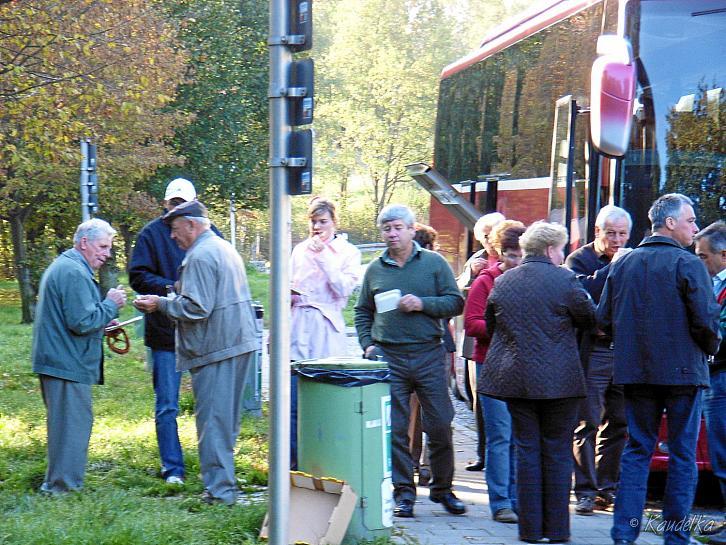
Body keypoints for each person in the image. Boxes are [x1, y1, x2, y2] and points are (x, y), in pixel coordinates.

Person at [597, 194, 720, 545]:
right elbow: (706, 321)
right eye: (690, 221)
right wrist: (711, 349)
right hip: (683, 373)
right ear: (669, 223)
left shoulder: (622, 264)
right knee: (681, 455)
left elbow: (602, 319)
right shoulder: (688, 264)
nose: (695, 228)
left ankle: (624, 533)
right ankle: (675, 537)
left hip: (635, 373)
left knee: (637, 451)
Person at [134, 200, 258, 505]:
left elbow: (196, 308)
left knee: (213, 423)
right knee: (226, 422)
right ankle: (225, 483)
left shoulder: (200, 255)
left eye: (176, 230)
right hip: (237, 343)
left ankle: (219, 494)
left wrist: (160, 304)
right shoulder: (222, 247)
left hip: (217, 348)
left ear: (192, 224)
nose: (173, 238)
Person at [479, 221, 595, 544]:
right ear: (549, 249)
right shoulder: (566, 280)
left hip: (516, 380)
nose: (563, 254)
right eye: (561, 249)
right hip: (560, 383)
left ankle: (529, 530)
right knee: (557, 452)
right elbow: (590, 319)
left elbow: (490, 326)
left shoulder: (503, 282)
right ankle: (557, 530)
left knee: (526, 450)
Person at [355, 204, 465, 518]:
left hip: (429, 354)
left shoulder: (433, 263)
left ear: (411, 229)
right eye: (386, 229)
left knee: (441, 424)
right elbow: (363, 311)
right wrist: (368, 345)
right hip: (389, 357)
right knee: (397, 429)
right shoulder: (375, 269)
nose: (392, 234)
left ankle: (443, 490)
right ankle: (404, 495)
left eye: (397, 228)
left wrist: (422, 304)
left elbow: (455, 302)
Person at [129, 177, 221, 485]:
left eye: (184, 205)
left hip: (203, 334)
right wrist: (169, 290)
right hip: (165, 333)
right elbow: (138, 275)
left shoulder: (211, 235)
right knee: (167, 404)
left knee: (210, 403)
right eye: (173, 204)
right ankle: (173, 469)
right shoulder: (150, 235)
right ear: (165, 204)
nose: (177, 211)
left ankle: (215, 466)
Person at [32, 219, 127, 494]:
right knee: (71, 429)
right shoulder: (73, 272)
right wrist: (111, 304)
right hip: (65, 364)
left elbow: (75, 317)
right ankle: (62, 489)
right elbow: (82, 322)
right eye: (103, 246)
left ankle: (58, 484)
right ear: (84, 242)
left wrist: (103, 321)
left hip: (60, 361)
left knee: (65, 428)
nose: (106, 254)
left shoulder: (67, 267)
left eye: (108, 248)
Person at [566, 205, 632, 514]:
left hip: (624, 351)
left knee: (618, 422)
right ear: (597, 232)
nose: (617, 240)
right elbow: (584, 292)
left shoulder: (632, 258)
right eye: (611, 234)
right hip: (593, 350)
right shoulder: (579, 259)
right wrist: (613, 266)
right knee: (586, 422)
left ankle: (607, 486)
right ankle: (585, 491)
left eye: (623, 234)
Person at [289, 197, 361, 467]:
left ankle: (326, 459)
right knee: (294, 400)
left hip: (326, 326)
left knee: (325, 394)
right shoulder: (299, 250)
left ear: (334, 222)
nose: (317, 228)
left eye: (323, 222)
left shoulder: (347, 252)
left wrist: (324, 259)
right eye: (313, 222)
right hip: (298, 324)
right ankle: (293, 464)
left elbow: (343, 289)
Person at [463, 220, 525, 524]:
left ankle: (517, 498)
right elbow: (471, 323)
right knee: (500, 435)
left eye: (520, 254)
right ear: (499, 253)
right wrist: (503, 329)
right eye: (510, 255)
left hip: (524, 368)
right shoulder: (486, 281)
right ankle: (501, 502)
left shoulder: (530, 280)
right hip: (492, 365)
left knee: (519, 436)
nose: (515, 261)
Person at [458, 211, 505, 472]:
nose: (489, 240)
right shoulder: (477, 261)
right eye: (485, 235)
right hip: (479, 345)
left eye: (493, 234)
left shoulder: (513, 260)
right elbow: (460, 290)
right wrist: (470, 275)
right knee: (481, 400)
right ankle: (483, 453)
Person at [694, 221, 726, 545]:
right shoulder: (714, 282)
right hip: (716, 376)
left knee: (724, 453)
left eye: (702, 256)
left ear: (723, 255)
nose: (698, 262)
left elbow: (719, 333)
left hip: (722, 378)